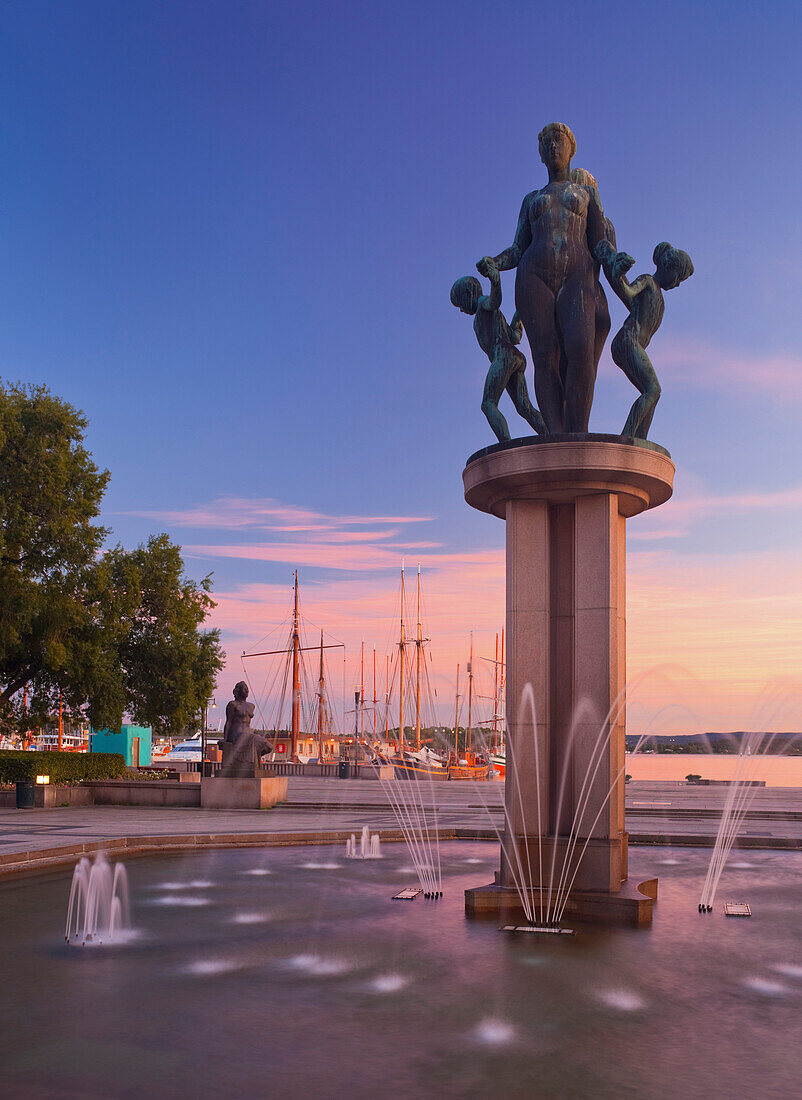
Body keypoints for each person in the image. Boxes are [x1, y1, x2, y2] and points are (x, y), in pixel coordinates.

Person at [480, 123, 631, 433]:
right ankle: (556, 434)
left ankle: (577, 433)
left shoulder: (587, 194)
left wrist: (614, 259)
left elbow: (600, 241)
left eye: (558, 141)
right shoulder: (530, 199)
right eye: (546, 143)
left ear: (571, 148)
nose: (552, 147)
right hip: (533, 276)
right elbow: (518, 247)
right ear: (540, 155)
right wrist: (494, 262)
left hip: (578, 274)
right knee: (544, 356)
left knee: (580, 349)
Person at [599, 241, 694, 439]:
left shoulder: (661, 299)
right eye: (678, 278)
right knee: (653, 389)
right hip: (627, 340)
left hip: (632, 344)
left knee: (650, 393)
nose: (677, 284)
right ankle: (627, 436)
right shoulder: (648, 281)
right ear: (669, 267)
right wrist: (617, 273)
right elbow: (628, 292)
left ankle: (640, 439)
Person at [450, 264, 546, 442]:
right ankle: (551, 435)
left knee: (488, 404)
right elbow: (514, 336)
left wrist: (496, 281)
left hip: (503, 357)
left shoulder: (482, 304)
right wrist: (519, 316)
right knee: (524, 407)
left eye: (460, 304)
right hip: (514, 355)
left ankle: (506, 447)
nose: (462, 310)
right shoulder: (490, 315)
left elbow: (494, 301)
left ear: (467, 295)